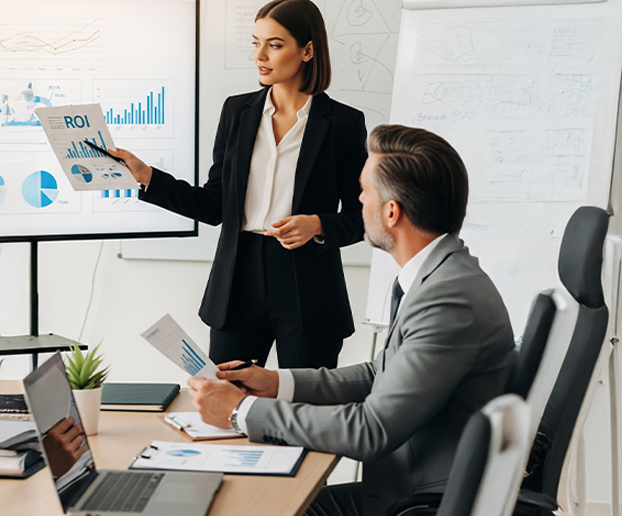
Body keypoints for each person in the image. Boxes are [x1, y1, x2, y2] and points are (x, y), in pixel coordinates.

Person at [186, 124, 517, 516]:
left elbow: (370, 430)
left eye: (364, 192)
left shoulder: (449, 299)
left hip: (423, 499)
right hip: (410, 483)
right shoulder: (441, 276)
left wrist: (241, 412)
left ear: (392, 212)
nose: (358, 201)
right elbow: (381, 373)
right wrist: (276, 383)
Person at [111, 0, 367, 370]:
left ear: (307, 50)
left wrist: (318, 225)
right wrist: (148, 176)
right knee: (226, 400)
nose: (260, 55)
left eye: (274, 45)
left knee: (306, 406)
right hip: (239, 276)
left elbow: (364, 216)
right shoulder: (237, 112)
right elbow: (214, 206)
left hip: (308, 282)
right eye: (256, 42)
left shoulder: (342, 123)